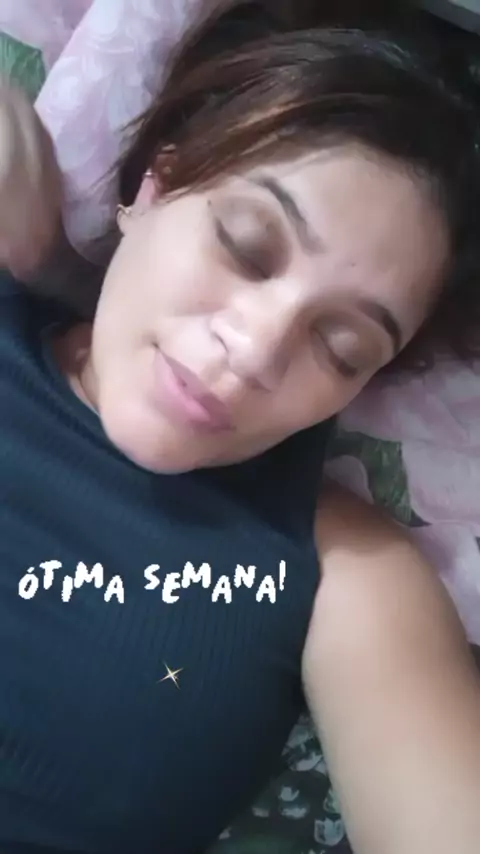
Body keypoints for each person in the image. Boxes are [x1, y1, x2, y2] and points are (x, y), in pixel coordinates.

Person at [1, 12, 480, 854]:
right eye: (246, 247)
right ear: (153, 185)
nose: (255, 351)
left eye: (341, 347)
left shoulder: (343, 574)